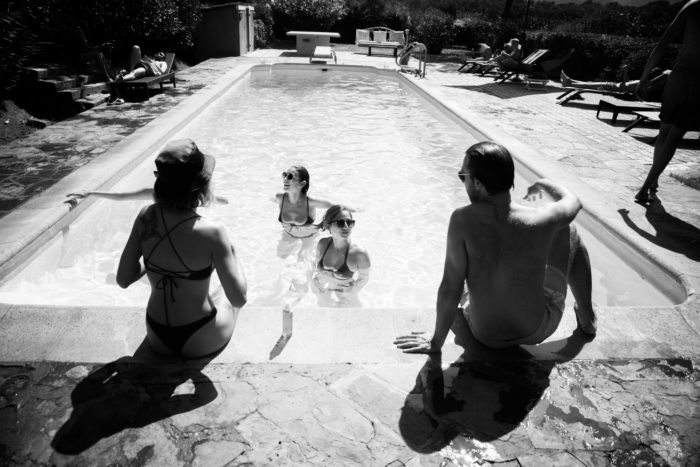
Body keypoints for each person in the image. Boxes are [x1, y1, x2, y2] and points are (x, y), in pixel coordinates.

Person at [394, 141, 597, 353]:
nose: (463, 182)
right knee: (568, 229)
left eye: (463, 177)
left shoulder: (462, 220)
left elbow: (449, 288)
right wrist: (545, 184)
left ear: (479, 184)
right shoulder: (540, 219)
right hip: (537, 328)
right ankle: (587, 318)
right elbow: (573, 202)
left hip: (486, 335)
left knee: (463, 279)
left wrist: (435, 342)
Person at [117, 139, 247, 358]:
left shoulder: (145, 217)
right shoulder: (213, 232)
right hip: (200, 336)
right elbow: (239, 299)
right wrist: (233, 254)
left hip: (157, 336)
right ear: (202, 185)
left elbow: (123, 279)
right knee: (224, 293)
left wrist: (153, 261)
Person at [634, 0, 700, 205]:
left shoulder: (693, 6)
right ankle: (647, 186)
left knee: (664, 132)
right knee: (673, 137)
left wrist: (644, 78)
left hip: (679, 76)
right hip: (699, 84)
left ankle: (651, 183)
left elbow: (663, 43)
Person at [312, 205, 371, 305]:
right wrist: (314, 282)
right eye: (340, 223)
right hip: (323, 289)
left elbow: (364, 278)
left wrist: (349, 293)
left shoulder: (358, 253)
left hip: (345, 295)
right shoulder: (322, 244)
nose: (346, 227)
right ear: (328, 225)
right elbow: (315, 266)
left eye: (349, 222)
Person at [560, 68, 670, 96]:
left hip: (613, 88)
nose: (650, 70)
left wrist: (664, 75)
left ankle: (568, 82)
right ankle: (570, 81)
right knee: (589, 83)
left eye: (652, 71)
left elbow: (665, 74)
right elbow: (626, 82)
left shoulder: (647, 84)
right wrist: (626, 71)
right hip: (614, 85)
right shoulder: (643, 81)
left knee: (588, 85)